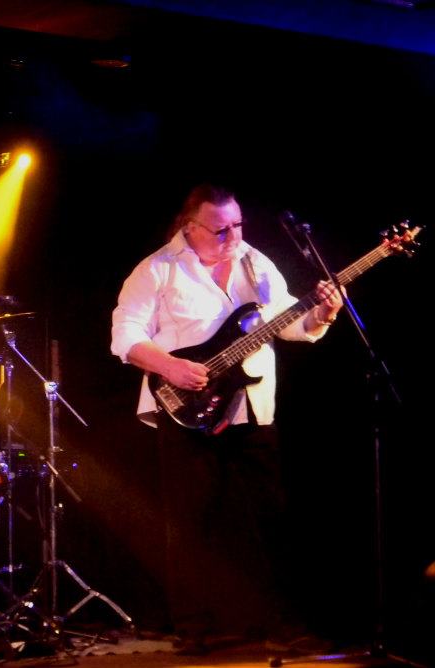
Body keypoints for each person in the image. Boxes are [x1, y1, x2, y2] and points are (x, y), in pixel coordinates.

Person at [110, 184, 343, 653]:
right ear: (190, 226)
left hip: (252, 404)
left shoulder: (256, 262)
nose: (232, 236)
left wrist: (322, 313)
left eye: (237, 225)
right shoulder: (157, 269)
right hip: (185, 407)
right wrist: (169, 366)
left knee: (270, 516)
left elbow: (288, 323)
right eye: (220, 229)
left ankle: (283, 624)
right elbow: (124, 335)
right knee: (191, 522)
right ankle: (195, 629)